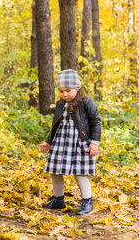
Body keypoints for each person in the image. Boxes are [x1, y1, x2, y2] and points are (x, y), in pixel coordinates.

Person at [39, 69, 101, 215]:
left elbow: (95, 121)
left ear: (77, 88)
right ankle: (58, 200)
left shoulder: (85, 102)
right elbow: (55, 125)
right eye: (61, 91)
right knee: (55, 170)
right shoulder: (60, 104)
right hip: (61, 142)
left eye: (68, 90)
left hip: (80, 143)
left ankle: (87, 201)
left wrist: (95, 142)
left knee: (80, 173)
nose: (65, 94)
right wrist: (49, 142)